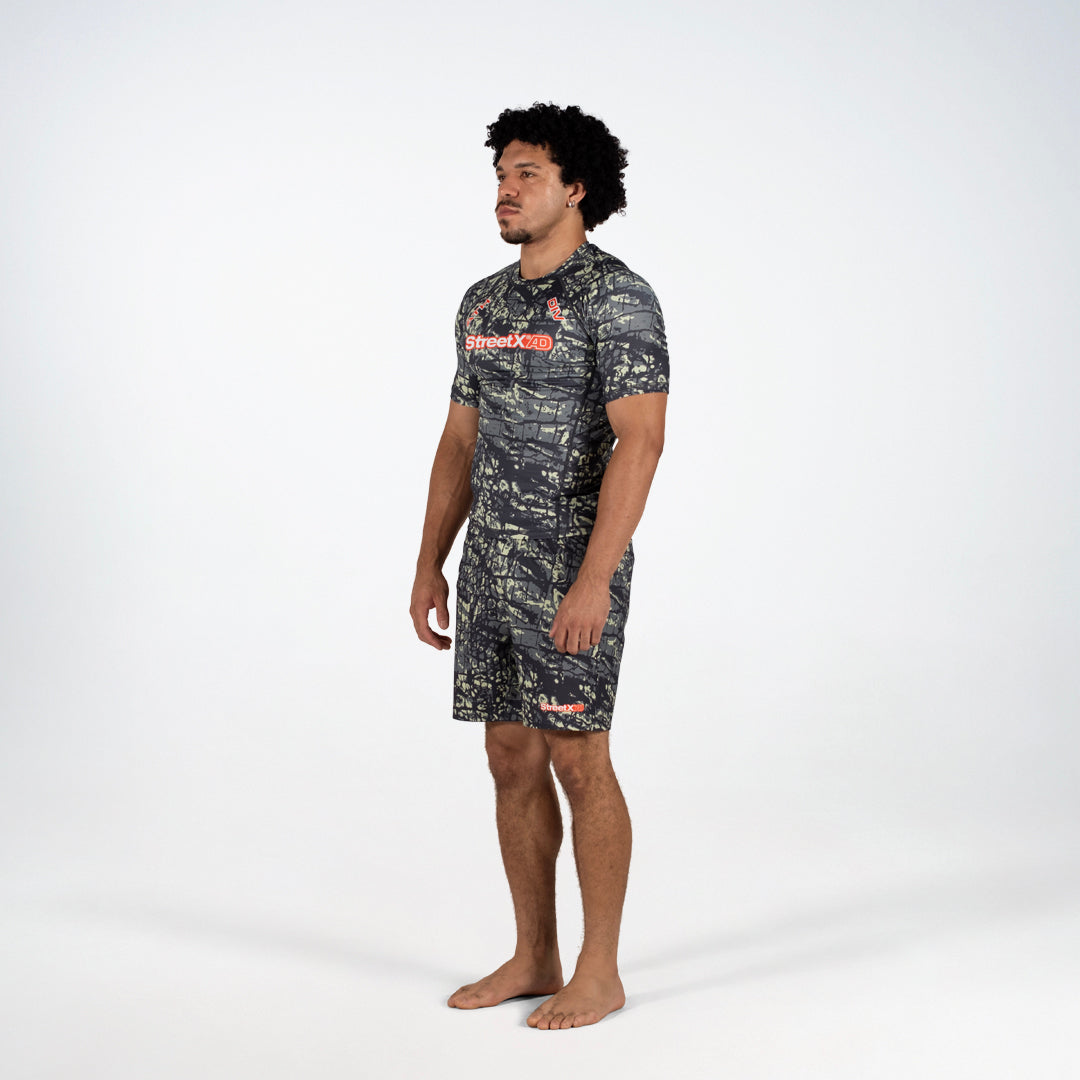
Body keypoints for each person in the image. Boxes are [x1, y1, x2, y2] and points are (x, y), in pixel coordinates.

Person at [409, 102, 669, 1030]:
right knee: (509, 755)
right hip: (489, 567)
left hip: (570, 566)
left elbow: (641, 441)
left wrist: (595, 579)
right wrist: (430, 562)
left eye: (527, 175)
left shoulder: (616, 297)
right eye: (501, 175)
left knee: (578, 755)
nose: (506, 191)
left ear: (577, 189)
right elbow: (458, 442)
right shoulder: (482, 303)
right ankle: (535, 954)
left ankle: (599, 971)